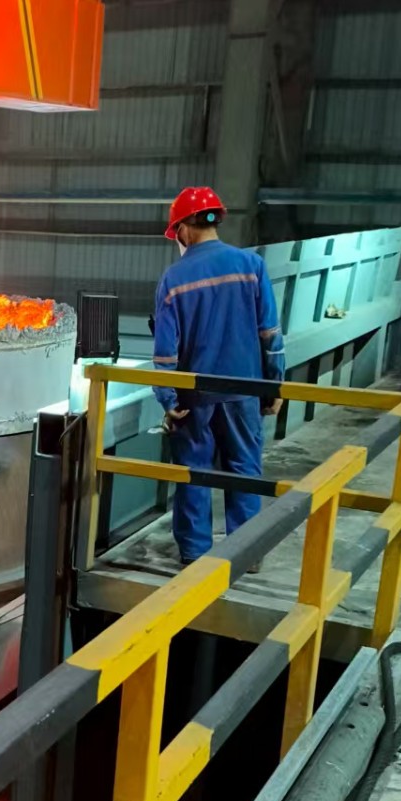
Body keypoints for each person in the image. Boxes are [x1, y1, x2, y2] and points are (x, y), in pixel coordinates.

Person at [152, 188, 285, 565]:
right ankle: (246, 554)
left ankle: (195, 555)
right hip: (245, 392)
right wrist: (274, 384)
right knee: (244, 471)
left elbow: (165, 352)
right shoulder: (251, 265)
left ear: (183, 228)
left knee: (194, 475)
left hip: (195, 398)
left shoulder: (173, 278)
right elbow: (270, 333)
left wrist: (168, 398)